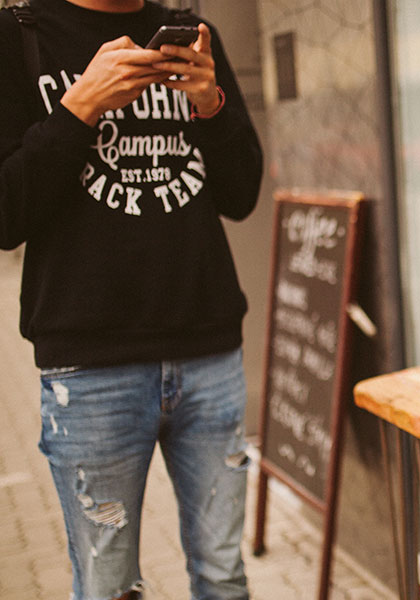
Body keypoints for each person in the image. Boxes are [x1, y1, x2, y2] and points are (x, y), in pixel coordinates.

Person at [0, 1, 262, 598]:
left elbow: (243, 192)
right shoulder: (18, 36)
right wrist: (80, 107)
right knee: (108, 586)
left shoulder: (196, 34)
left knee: (224, 577)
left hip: (208, 352)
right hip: (90, 368)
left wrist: (210, 104)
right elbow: (5, 215)